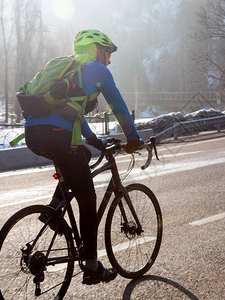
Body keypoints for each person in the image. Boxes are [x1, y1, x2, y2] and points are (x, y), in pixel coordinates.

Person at [23, 29, 143, 285]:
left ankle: (55, 210)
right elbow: (119, 106)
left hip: (33, 133)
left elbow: (72, 113)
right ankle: (91, 267)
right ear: (98, 50)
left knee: (83, 154)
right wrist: (132, 137)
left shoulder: (67, 69)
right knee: (88, 199)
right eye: (107, 54)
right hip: (58, 135)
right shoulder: (98, 71)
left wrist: (91, 139)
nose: (109, 61)